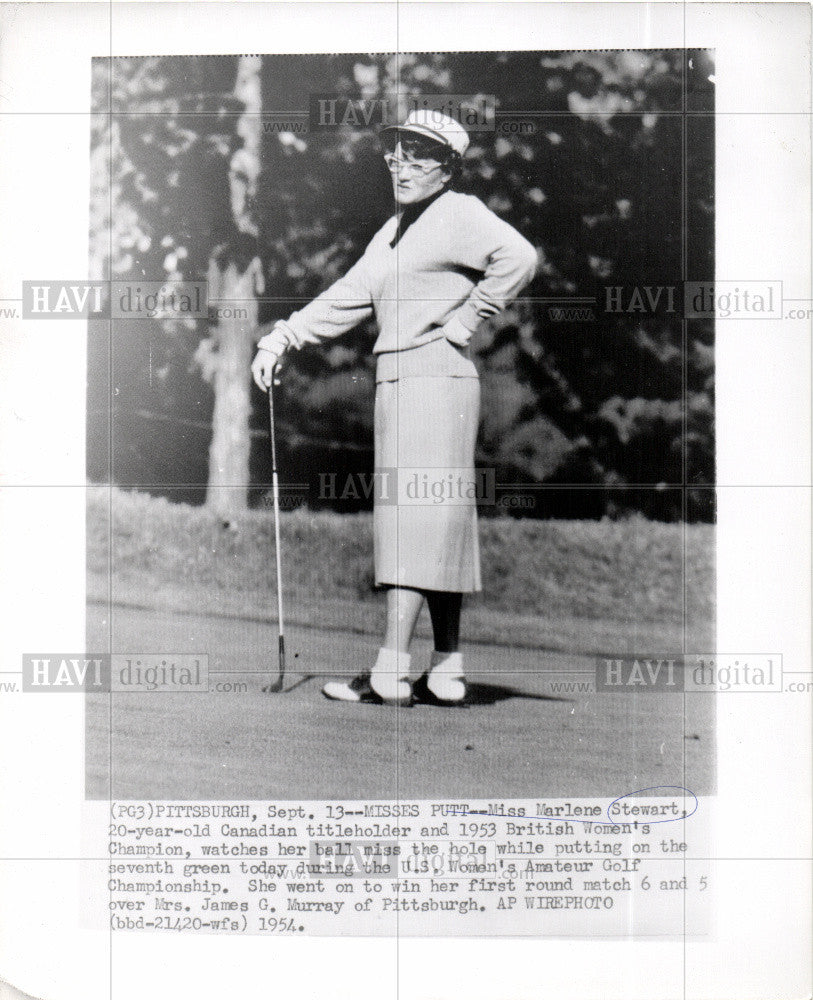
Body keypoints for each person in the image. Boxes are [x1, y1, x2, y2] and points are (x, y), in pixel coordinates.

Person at [251, 110, 537, 706]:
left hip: (433, 375)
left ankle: (389, 667)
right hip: (409, 377)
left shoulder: (459, 212)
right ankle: (447, 667)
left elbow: (519, 257)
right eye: (396, 155)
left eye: (419, 157)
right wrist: (283, 336)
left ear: (448, 168)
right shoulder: (395, 229)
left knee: (415, 520)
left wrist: (463, 323)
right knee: (436, 523)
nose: (402, 167)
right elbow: (350, 295)